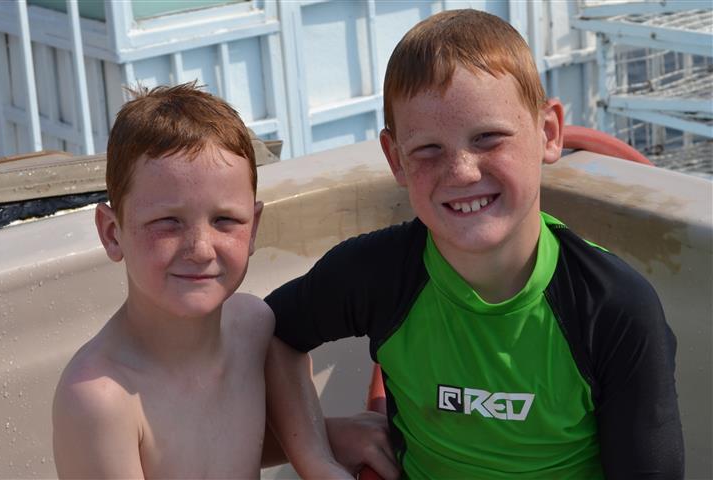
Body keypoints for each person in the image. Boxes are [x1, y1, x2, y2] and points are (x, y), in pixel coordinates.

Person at [264, 9, 684, 480]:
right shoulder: (377, 274)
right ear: (395, 158)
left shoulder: (613, 307)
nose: (462, 172)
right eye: (428, 149)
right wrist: (318, 455)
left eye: (488, 138)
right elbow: (273, 333)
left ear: (548, 134)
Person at [52, 83, 396, 479]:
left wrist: (324, 447)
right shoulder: (99, 400)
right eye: (168, 222)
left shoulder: (253, 328)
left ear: (253, 229)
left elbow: (221, 446)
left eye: (225, 220)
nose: (200, 248)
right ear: (113, 233)